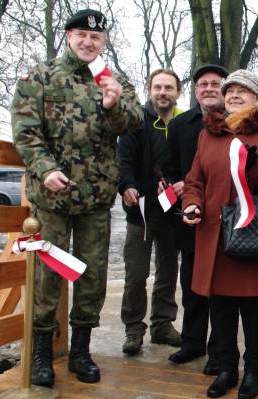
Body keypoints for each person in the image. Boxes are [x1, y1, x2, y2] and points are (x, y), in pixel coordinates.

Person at [11, 9, 143, 387]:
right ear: (68, 35)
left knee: (92, 274)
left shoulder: (113, 80)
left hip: (95, 197)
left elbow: (134, 123)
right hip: (52, 197)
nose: (88, 42)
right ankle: (41, 354)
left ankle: (81, 352)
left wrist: (115, 104)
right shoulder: (40, 77)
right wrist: (45, 168)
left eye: (96, 37)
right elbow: (25, 131)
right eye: (82, 34)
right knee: (47, 276)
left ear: (104, 42)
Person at [181, 69, 258, 399]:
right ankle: (227, 368)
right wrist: (191, 203)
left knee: (252, 307)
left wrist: (253, 165)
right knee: (220, 305)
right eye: (230, 90)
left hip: (252, 233)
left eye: (243, 90)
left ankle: (253, 370)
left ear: (256, 97)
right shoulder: (209, 133)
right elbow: (195, 179)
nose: (234, 95)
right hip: (214, 233)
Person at [164, 64, 229, 374]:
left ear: (224, 89)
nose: (208, 89)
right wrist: (173, 184)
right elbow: (167, 166)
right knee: (192, 284)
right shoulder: (180, 124)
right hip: (190, 218)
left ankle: (219, 348)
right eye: (203, 84)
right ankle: (192, 342)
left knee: (221, 287)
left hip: (225, 218)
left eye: (215, 84)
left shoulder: (236, 122)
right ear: (195, 91)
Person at [118, 69, 183, 355]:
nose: (163, 93)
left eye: (169, 87)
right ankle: (134, 328)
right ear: (149, 89)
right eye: (158, 87)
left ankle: (162, 325)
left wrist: (181, 184)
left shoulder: (184, 123)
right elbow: (123, 159)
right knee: (136, 274)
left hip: (172, 212)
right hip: (140, 212)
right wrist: (127, 186)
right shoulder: (136, 121)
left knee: (168, 272)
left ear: (178, 92)